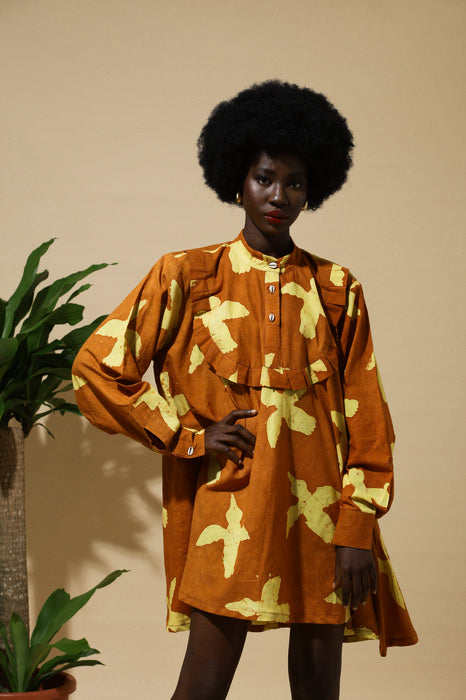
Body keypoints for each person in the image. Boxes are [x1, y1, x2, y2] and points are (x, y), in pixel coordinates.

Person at [72, 80, 417, 700]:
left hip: (324, 516)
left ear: (314, 190)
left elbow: (368, 416)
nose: (279, 196)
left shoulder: (338, 289)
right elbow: (96, 369)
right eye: (265, 178)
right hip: (228, 507)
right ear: (238, 180)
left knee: (318, 688)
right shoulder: (187, 275)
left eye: (295, 183)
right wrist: (186, 437)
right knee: (202, 687)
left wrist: (356, 526)